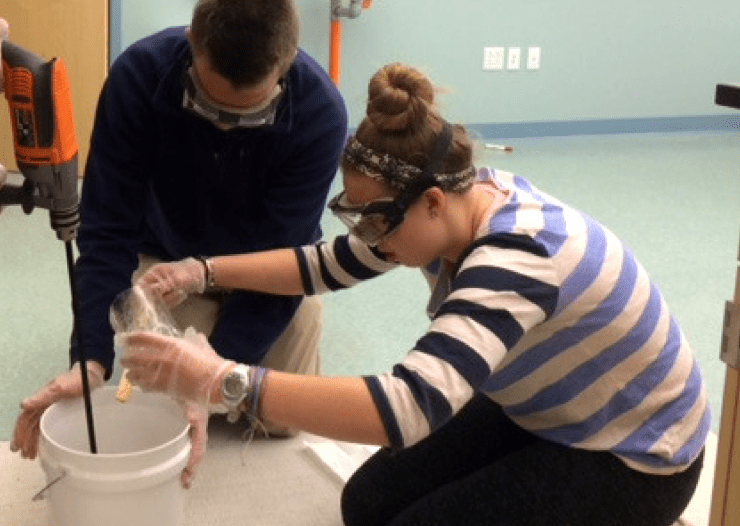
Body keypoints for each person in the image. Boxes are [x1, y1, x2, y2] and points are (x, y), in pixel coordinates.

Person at [117, 62, 708, 525]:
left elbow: (407, 407)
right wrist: (201, 271)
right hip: (543, 406)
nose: (368, 239)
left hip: (636, 450)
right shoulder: (457, 201)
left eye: (375, 224)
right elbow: (320, 266)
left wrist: (225, 380)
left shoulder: (518, 258)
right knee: (368, 505)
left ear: (429, 203)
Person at [9, 0, 348, 488]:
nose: (225, 125)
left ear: (287, 63)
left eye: (248, 115)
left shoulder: (320, 114)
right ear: (192, 40)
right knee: (147, 415)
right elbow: (108, 232)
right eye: (208, 108)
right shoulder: (139, 75)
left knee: (279, 420)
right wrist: (91, 357)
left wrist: (208, 382)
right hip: (164, 263)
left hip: (264, 273)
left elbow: (288, 260)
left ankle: (215, 351)